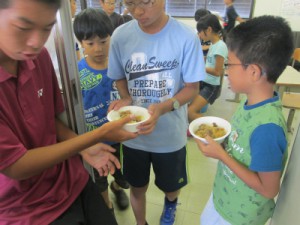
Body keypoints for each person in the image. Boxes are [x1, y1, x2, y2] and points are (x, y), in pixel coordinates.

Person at [0, 0, 138, 224]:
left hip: (70, 180)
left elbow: (51, 119)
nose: (36, 42)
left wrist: (86, 148)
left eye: (46, 28)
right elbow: (17, 166)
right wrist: (92, 138)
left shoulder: (38, 57)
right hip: (23, 206)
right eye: (23, 27)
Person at [107, 1, 205, 225]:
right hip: (133, 136)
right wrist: (125, 97)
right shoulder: (121, 36)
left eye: (146, 2)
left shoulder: (185, 37)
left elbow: (192, 88)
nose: (138, 11)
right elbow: (119, 76)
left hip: (170, 136)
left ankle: (170, 205)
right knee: (137, 186)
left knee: (172, 186)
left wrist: (163, 108)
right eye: (130, 3)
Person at [195, 15, 294, 225]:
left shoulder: (267, 128)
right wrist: (223, 144)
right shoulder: (249, 101)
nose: (226, 71)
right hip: (224, 198)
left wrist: (221, 155)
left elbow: (269, 189)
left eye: (230, 64)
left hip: (240, 217)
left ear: (253, 72)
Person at [73, 8, 130, 213]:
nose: (98, 48)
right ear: (81, 43)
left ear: (111, 38)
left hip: (119, 136)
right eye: (90, 43)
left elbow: (128, 97)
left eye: (103, 41)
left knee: (123, 175)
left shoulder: (119, 66)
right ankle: (107, 206)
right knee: (99, 178)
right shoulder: (78, 73)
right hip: (94, 140)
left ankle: (117, 187)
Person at [188, 14, 228, 122]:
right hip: (205, 82)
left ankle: (217, 127)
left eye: (200, 32)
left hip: (211, 86)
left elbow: (217, 71)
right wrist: (200, 59)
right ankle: (196, 126)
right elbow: (210, 60)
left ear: (209, 29)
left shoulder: (220, 46)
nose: (199, 35)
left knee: (190, 112)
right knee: (189, 108)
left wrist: (200, 66)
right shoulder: (214, 44)